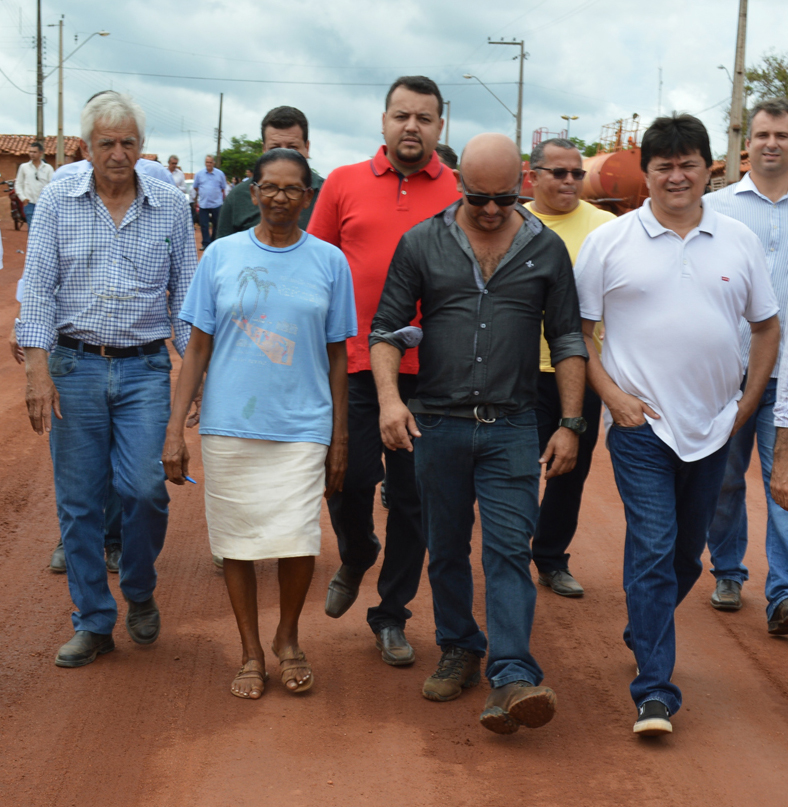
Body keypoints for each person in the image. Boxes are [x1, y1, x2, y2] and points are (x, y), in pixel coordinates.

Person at [370, 133, 587, 734]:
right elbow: (386, 329)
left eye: (502, 197)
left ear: (522, 182)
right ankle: (460, 647)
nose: (490, 210)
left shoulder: (546, 251)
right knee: (445, 548)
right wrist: (390, 401)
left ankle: (513, 672)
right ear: (458, 181)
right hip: (436, 424)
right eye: (477, 197)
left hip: (514, 425)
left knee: (509, 551)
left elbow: (568, 337)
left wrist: (570, 422)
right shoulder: (421, 242)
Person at [574, 113, 780, 736]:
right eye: (663, 165)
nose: (675, 176)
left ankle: (644, 624)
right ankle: (655, 691)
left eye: (688, 163)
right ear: (646, 173)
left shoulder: (738, 240)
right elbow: (579, 334)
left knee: (686, 555)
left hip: (716, 425)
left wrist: (745, 404)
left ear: (709, 168)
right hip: (642, 427)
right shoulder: (610, 241)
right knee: (655, 548)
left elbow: (768, 326)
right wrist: (612, 396)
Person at [162, 148, 356, 699]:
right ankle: (250, 651)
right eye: (268, 187)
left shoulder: (329, 262)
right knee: (238, 542)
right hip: (230, 425)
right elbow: (197, 348)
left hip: (303, 422)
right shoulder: (220, 256)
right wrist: (176, 429)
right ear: (251, 190)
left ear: (308, 197)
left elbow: (339, 354)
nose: (279, 198)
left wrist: (340, 436)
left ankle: (287, 637)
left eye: (292, 189)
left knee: (299, 538)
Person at [16, 92, 197, 668]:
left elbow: (186, 301)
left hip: (145, 367)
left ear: (142, 147)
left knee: (145, 489)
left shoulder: (170, 205)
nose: (118, 154)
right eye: (106, 143)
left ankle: (138, 589)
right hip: (74, 366)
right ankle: (93, 620)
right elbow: (37, 289)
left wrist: (197, 381)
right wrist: (37, 369)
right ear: (86, 146)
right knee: (78, 503)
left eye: (128, 143)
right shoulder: (57, 203)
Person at [307, 75, 460, 666]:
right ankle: (355, 550)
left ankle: (391, 614)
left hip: (431, 373)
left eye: (424, 118)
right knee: (344, 479)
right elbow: (315, 267)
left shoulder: (458, 191)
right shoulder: (343, 183)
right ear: (383, 121)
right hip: (350, 365)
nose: (411, 127)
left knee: (414, 496)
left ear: (439, 127)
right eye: (401, 115)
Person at [705, 98, 788, 628]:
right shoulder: (721, 208)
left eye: (782, 135)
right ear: (746, 145)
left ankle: (782, 594)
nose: (773, 143)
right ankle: (728, 570)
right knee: (724, 478)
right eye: (763, 135)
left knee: (784, 483)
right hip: (729, 370)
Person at [526, 139, 616, 597]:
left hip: (580, 371)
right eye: (557, 173)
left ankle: (551, 557)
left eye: (576, 174)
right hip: (518, 373)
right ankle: (505, 554)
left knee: (570, 470)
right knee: (516, 470)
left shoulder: (605, 226)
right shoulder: (513, 221)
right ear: (532, 176)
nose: (568, 181)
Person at [216, 107, 323, 240]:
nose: (284, 157)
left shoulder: (328, 194)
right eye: (275, 148)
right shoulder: (238, 197)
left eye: (292, 148)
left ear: (307, 148)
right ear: (264, 149)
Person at [193, 155, 227, 250]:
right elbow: (196, 187)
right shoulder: (199, 174)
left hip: (216, 203)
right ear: (205, 163)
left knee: (217, 224)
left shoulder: (220, 174)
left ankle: (214, 242)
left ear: (214, 163)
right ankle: (206, 243)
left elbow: (223, 188)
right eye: (207, 162)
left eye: (211, 162)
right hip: (204, 203)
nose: (209, 164)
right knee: (204, 225)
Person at [15, 141, 53, 226]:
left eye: (34, 152)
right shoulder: (24, 167)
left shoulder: (48, 168)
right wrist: (23, 198)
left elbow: (52, 185)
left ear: (40, 153)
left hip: (44, 204)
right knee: (32, 228)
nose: (32, 154)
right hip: (30, 203)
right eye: (30, 152)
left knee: (44, 227)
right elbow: (18, 184)